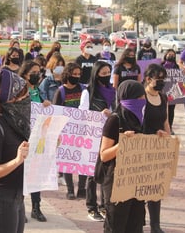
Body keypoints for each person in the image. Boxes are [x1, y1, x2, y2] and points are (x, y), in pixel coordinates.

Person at [0, 69, 30, 233]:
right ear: (11, 99)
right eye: (22, 96)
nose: (26, 100)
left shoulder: (16, 123)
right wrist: (17, 160)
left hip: (17, 197)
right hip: (0, 198)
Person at [100, 79, 147, 232]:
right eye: (138, 98)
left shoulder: (140, 118)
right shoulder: (115, 120)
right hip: (116, 182)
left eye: (143, 98)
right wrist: (122, 145)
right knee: (116, 224)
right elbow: (104, 155)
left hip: (136, 179)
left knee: (135, 223)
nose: (142, 101)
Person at [79, 61, 116, 222]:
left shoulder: (113, 91)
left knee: (107, 172)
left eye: (108, 72)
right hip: (93, 135)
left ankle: (104, 205)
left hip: (109, 136)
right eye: (103, 73)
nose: (106, 75)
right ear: (96, 74)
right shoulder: (88, 92)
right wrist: (99, 114)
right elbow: (82, 113)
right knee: (92, 173)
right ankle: (91, 206)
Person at [19, 60, 50, 222]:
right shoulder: (19, 91)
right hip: (22, 137)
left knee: (35, 173)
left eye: (39, 72)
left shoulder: (39, 91)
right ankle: (19, 207)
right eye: (34, 72)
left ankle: (36, 207)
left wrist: (46, 106)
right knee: (21, 172)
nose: (37, 75)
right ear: (25, 74)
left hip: (38, 138)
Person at [52, 62, 87, 200]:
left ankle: (82, 188)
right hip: (66, 131)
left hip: (82, 130)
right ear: (68, 74)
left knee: (83, 159)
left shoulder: (83, 89)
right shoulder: (61, 91)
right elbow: (56, 111)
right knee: (67, 160)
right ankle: (70, 189)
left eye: (79, 74)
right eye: (74, 74)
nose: (77, 77)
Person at [143, 63, 171, 233]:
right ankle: (138, 220)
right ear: (148, 79)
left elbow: (165, 121)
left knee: (155, 186)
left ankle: (155, 224)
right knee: (139, 186)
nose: (161, 82)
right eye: (158, 78)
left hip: (158, 147)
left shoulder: (163, 97)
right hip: (141, 146)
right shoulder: (140, 96)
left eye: (163, 79)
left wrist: (168, 138)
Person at [161, 49, 180, 134]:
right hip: (162, 91)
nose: (171, 56)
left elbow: (179, 78)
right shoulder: (161, 65)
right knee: (162, 110)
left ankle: (170, 127)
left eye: (173, 55)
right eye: (169, 54)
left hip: (172, 92)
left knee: (171, 111)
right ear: (166, 55)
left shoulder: (176, 66)